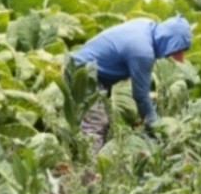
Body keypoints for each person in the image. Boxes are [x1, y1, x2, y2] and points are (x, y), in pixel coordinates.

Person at [71, 15, 191, 151]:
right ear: (169, 41)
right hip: (84, 75)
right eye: (177, 49)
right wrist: (155, 126)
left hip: (83, 69)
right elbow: (141, 96)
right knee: (95, 124)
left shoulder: (146, 25)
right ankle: (88, 168)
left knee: (98, 122)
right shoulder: (142, 51)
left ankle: (79, 155)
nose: (177, 56)